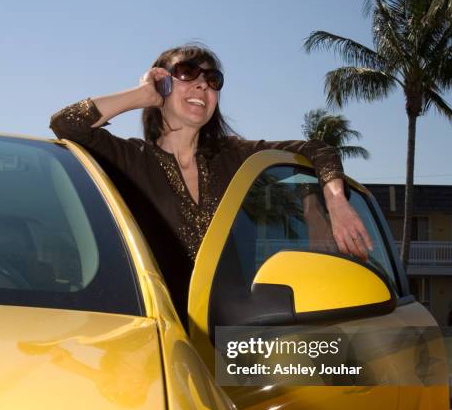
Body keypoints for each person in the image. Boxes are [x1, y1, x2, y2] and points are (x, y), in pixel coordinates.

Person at [50, 44, 372, 326]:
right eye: (187, 73)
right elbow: (66, 123)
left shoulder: (232, 156)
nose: (203, 84)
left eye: (212, 80)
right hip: (161, 332)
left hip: (233, 335)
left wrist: (327, 206)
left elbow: (316, 151)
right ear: (161, 83)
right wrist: (143, 96)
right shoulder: (131, 158)